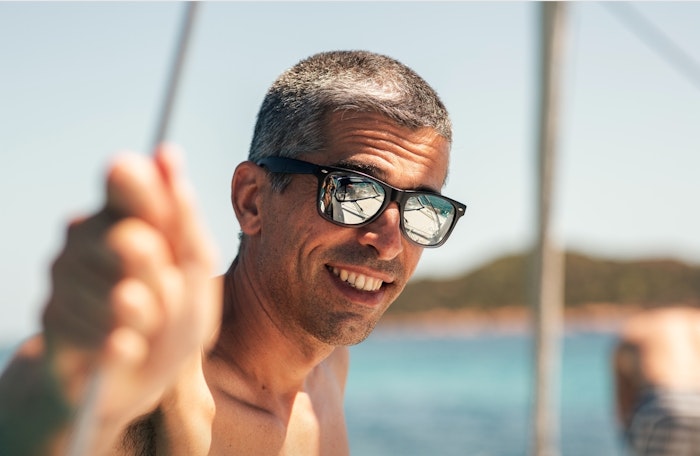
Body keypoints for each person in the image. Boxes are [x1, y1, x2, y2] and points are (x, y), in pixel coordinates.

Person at [0, 50, 466, 455]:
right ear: (252, 200)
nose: (389, 241)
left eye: (421, 209)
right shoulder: (166, 378)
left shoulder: (328, 367)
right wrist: (69, 378)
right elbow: (39, 420)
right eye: (352, 191)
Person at [613, 305, 700, 455]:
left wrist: (627, 427)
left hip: (662, 406)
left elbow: (624, 388)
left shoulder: (639, 325)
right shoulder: (695, 321)